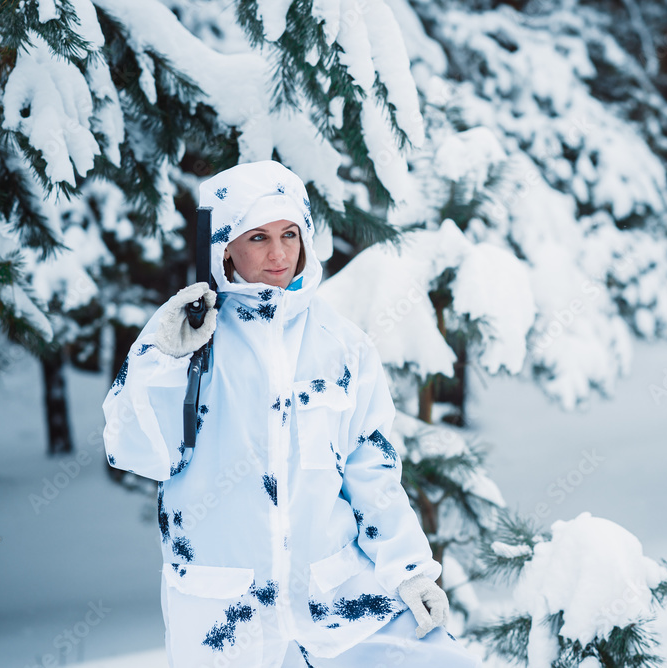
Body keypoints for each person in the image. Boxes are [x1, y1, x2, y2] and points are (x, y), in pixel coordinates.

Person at [102, 161, 479, 668]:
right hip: (226, 614)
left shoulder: (342, 345)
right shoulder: (186, 336)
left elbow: (371, 468)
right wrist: (164, 362)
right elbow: (135, 452)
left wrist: (409, 569)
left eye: (289, 234)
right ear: (223, 246)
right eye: (258, 237)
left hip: (337, 601)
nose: (279, 254)